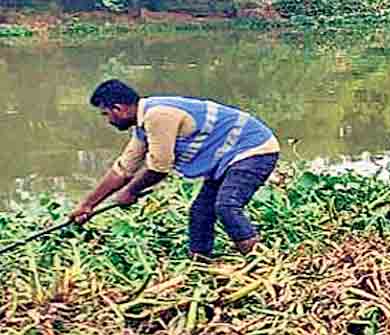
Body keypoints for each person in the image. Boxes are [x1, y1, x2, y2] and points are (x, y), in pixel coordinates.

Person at [71, 80, 281, 257]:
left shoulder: (158, 116)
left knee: (227, 205)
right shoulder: (143, 126)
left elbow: (159, 168)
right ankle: (200, 266)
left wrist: (130, 191)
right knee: (200, 213)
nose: (108, 120)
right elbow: (123, 169)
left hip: (254, 150)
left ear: (119, 109)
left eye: (106, 114)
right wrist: (87, 205)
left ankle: (260, 261)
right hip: (226, 159)